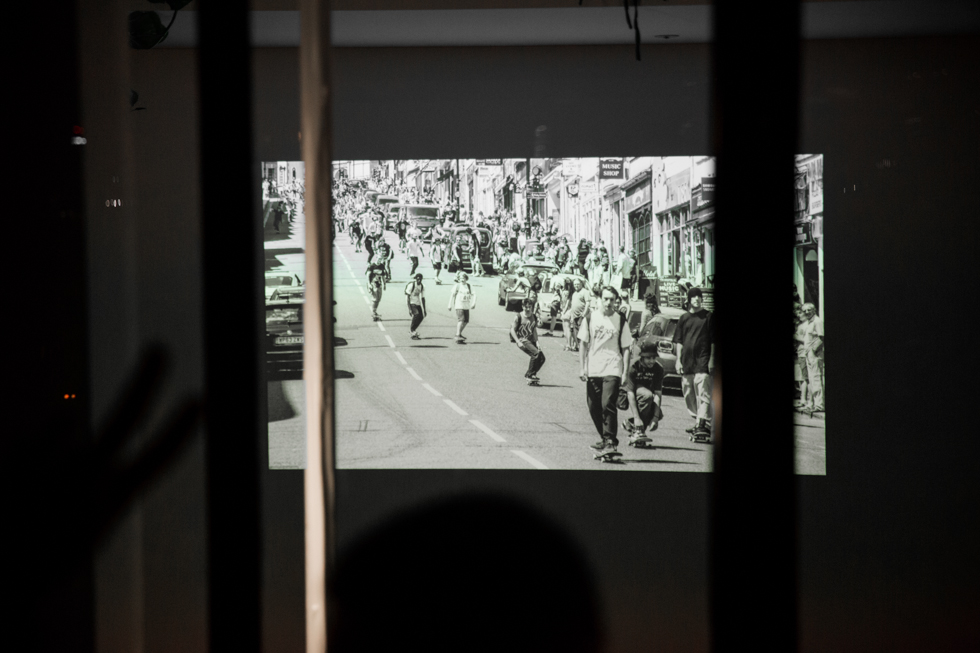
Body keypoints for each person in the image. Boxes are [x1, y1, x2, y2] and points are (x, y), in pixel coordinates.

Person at [578, 286, 634, 458]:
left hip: (612, 367)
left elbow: (626, 348)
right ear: (600, 299)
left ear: (616, 301)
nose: (609, 302)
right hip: (593, 368)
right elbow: (583, 343)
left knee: (607, 403)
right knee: (593, 406)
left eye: (612, 299)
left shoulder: (620, 320)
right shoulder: (590, 318)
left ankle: (610, 441)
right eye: (606, 299)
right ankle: (604, 438)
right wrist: (582, 367)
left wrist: (624, 372)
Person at [672, 287, 715, 440]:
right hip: (687, 362)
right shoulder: (684, 318)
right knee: (688, 392)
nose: (697, 299)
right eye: (694, 297)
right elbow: (678, 341)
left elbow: (713, 341)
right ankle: (699, 421)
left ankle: (703, 423)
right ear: (689, 300)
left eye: (699, 296)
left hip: (703, 360)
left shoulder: (709, 317)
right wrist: (678, 360)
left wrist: (712, 360)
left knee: (703, 392)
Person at [622, 342, 666, 444]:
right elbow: (630, 393)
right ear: (642, 357)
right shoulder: (633, 366)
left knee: (658, 414)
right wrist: (637, 418)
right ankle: (638, 429)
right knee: (647, 395)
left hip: (646, 394)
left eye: (654, 358)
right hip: (629, 392)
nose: (652, 361)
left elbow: (658, 394)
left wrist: (655, 418)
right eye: (648, 358)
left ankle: (632, 426)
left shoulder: (658, 369)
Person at [511, 297, 546, 385]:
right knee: (535, 354)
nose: (528, 309)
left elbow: (534, 330)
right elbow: (512, 330)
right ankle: (530, 375)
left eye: (529, 307)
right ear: (522, 306)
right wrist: (518, 342)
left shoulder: (533, 316)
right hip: (522, 340)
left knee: (542, 358)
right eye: (526, 307)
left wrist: (537, 342)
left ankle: (531, 374)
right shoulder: (518, 316)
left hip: (531, 340)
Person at [798, 302, 825, 413]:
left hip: (815, 354)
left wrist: (813, 350)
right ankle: (812, 404)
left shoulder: (817, 321)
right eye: (804, 310)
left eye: (809, 310)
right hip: (808, 354)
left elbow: (822, 337)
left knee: (816, 378)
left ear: (814, 310)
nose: (807, 312)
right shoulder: (809, 323)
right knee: (811, 380)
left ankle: (819, 405)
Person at [448, 272, 476, 344]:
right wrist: (449, 304)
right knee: (461, 319)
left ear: (466, 279)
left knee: (466, 321)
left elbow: (474, 294)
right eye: (460, 278)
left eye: (463, 278)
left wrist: (473, 303)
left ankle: (459, 333)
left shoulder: (469, 286)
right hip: (459, 305)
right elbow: (452, 295)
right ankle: (458, 335)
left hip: (466, 306)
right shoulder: (457, 286)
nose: (462, 280)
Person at [793, 305, 811, 411]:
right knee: (803, 378)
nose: (798, 315)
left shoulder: (805, 325)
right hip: (801, 353)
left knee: (805, 378)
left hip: (804, 353)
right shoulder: (801, 325)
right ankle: (804, 399)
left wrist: (796, 337)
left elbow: (807, 340)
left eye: (800, 313)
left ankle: (804, 399)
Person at [565, 277, 589, 352]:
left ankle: (583, 347)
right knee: (575, 332)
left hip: (582, 316)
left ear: (581, 284)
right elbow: (573, 305)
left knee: (582, 332)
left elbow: (587, 303)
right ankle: (577, 346)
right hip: (575, 316)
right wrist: (572, 317)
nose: (576, 286)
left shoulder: (585, 292)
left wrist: (584, 314)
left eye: (578, 284)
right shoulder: (574, 293)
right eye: (575, 284)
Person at [405, 273, 427, 340]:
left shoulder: (422, 286)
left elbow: (423, 298)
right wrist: (409, 309)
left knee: (421, 317)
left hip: (417, 303)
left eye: (420, 279)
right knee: (416, 314)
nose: (419, 281)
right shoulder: (411, 285)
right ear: (416, 279)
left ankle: (413, 330)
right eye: (417, 279)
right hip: (411, 302)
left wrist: (424, 310)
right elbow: (407, 297)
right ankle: (412, 330)